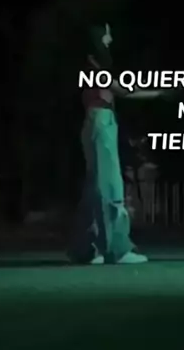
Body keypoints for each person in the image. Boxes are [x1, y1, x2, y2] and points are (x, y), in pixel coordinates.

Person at [69, 22, 162, 265]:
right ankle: (116, 249)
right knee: (110, 186)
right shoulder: (95, 65)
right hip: (101, 121)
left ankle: (87, 248)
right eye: (107, 34)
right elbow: (123, 90)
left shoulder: (91, 66)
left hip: (96, 121)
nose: (110, 39)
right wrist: (161, 93)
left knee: (94, 188)